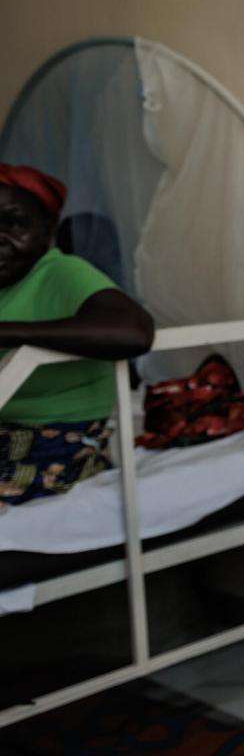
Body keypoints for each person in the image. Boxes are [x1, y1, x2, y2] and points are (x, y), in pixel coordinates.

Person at [0, 163, 155, 506]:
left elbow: (133, 331)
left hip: (61, 438)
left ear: (48, 229)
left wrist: (8, 333)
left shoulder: (60, 271)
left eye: (13, 224)